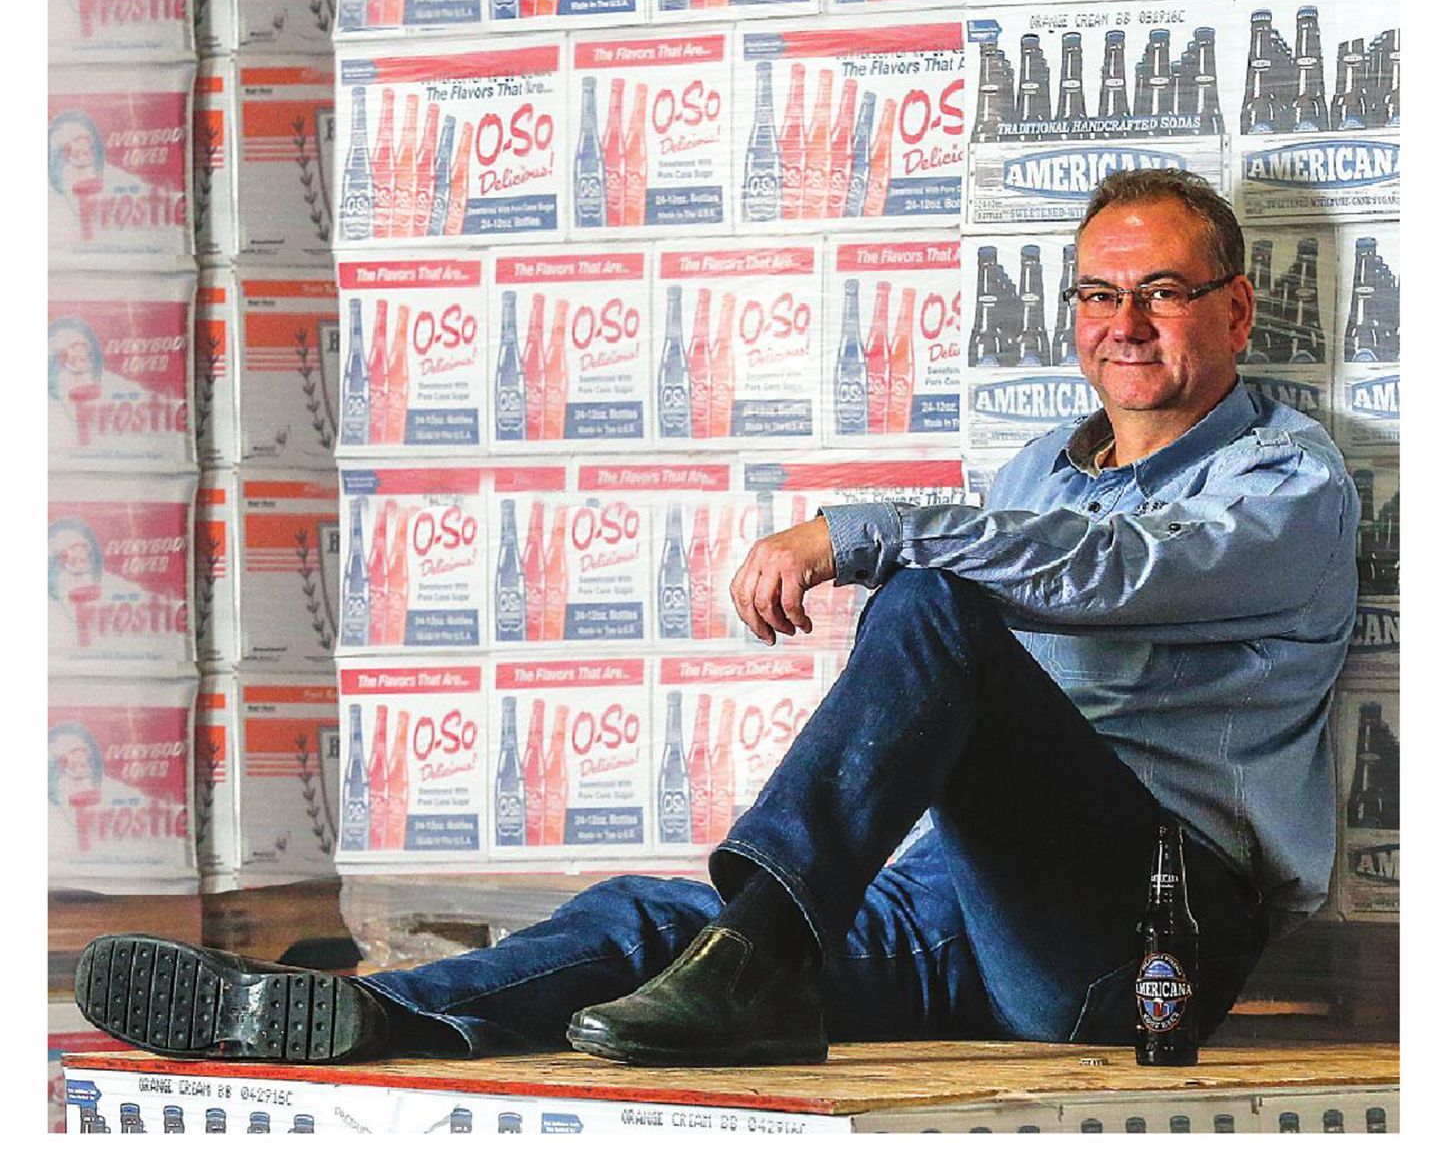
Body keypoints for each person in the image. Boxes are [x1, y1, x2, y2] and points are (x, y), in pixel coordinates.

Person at [74, 169, 1358, 1068]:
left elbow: (1110, 566)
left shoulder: (1286, 484)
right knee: (650, 921)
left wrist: (857, 530)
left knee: (928, 604)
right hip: (973, 913)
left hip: (1146, 943)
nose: (1122, 324)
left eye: (1162, 292)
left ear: (1235, 309)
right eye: (1095, 294)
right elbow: (1039, 567)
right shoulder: (1039, 473)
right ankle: (373, 1015)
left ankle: (760, 947)